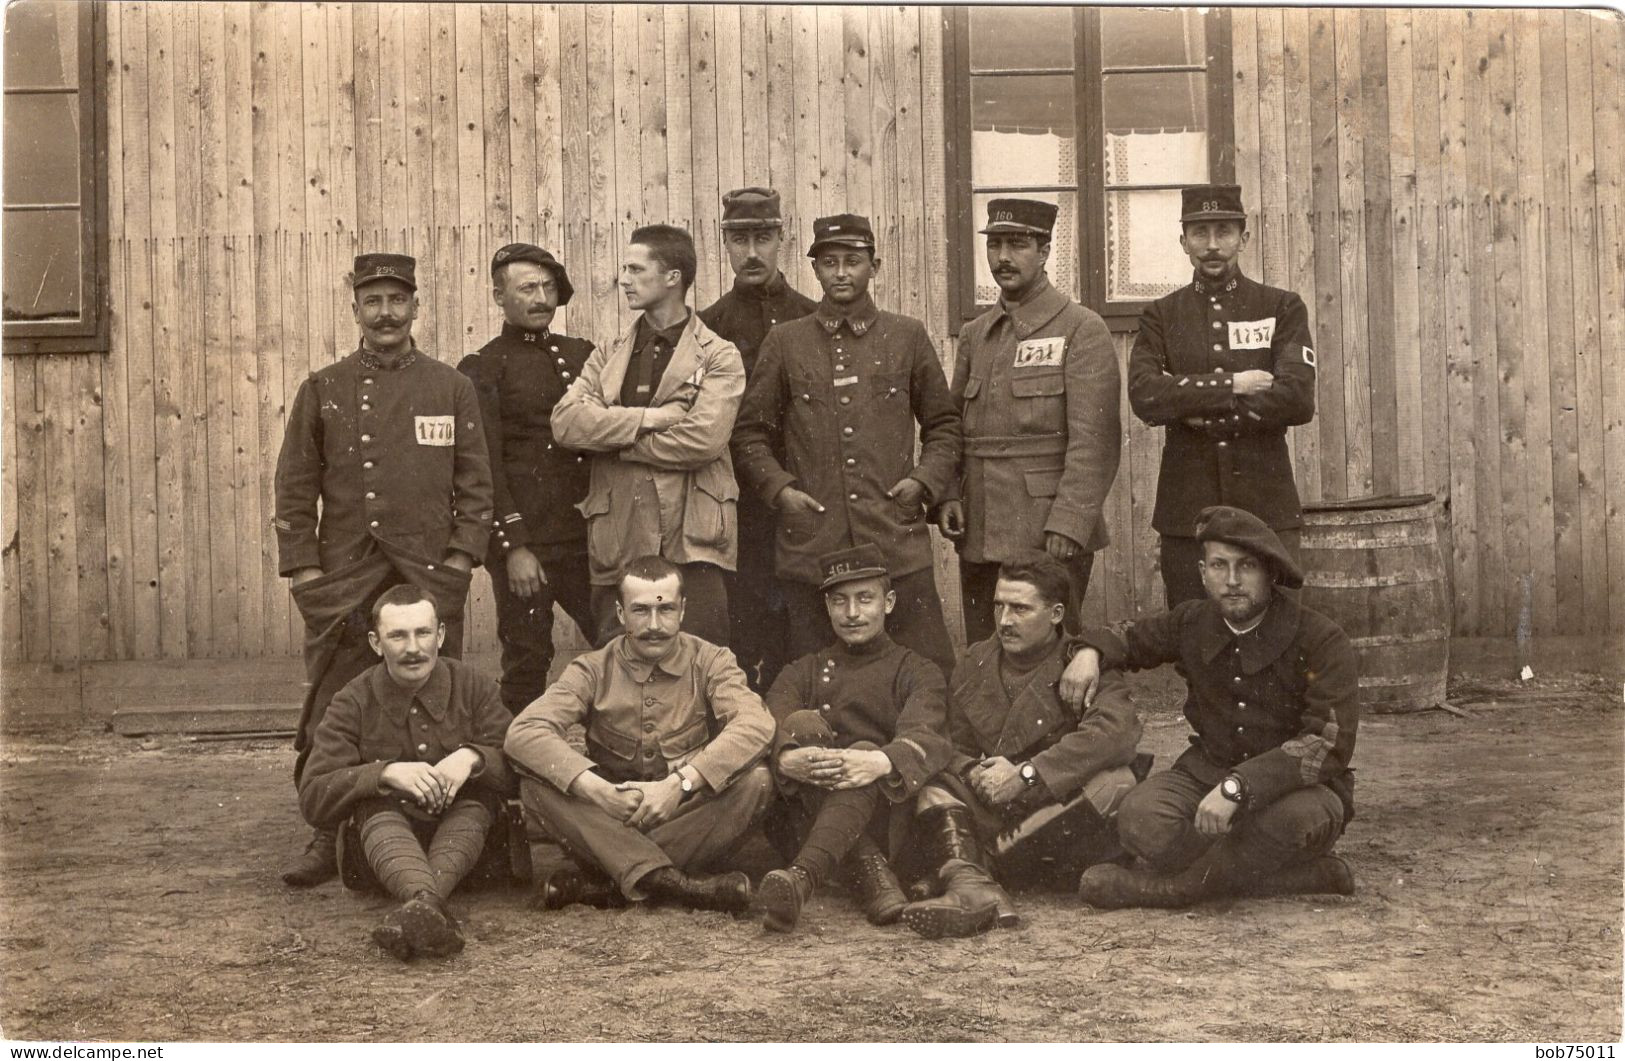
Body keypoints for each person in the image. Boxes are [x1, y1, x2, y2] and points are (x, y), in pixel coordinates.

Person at [274, 252, 494, 887]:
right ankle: (326, 833)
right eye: (373, 301)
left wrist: (458, 562)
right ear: (356, 311)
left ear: (416, 307)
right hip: (345, 578)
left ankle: (434, 815)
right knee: (333, 706)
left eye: (398, 300)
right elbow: (293, 490)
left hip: (426, 575)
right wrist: (306, 574)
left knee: (432, 698)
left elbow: (476, 486)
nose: (386, 313)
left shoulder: (450, 387)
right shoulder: (323, 387)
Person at [1064, 506, 1359, 908]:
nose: (1232, 581)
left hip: (1296, 790)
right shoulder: (1192, 621)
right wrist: (1089, 652)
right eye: (1219, 566)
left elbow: (1326, 744)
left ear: (1271, 573)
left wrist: (1239, 786)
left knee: (1294, 821)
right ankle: (1286, 875)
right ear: (1203, 573)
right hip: (1205, 773)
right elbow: (1129, 637)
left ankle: (1172, 891)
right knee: (1140, 816)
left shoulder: (1321, 638)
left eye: (1247, 566)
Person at [733, 213, 961, 677]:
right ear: (815, 269)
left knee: (930, 672)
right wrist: (780, 491)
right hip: (814, 540)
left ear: (874, 266)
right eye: (830, 262)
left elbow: (944, 426)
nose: (841, 273)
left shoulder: (907, 335)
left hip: (893, 537)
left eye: (853, 262)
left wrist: (923, 482)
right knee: (811, 677)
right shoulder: (786, 341)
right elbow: (749, 432)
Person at [504, 556, 775, 913]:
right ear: (620, 614)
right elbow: (523, 732)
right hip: (609, 818)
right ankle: (682, 887)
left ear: (682, 611)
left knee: (757, 782)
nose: (653, 625)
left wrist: (679, 786)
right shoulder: (591, 669)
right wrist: (598, 792)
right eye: (640, 611)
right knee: (535, 786)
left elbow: (755, 724)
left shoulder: (711, 661)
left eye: (665, 611)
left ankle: (614, 882)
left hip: (682, 817)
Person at [900, 552, 1145, 938]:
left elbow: (1116, 733)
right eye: (999, 606)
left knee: (1117, 780)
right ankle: (976, 885)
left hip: (1055, 811)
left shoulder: (1083, 664)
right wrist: (972, 771)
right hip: (993, 801)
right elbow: (950, 740)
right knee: (932, 785)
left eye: (1020, 608)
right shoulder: (975, 661)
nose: (1004, 621)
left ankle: (976, 872)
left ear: (1056, 613)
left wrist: (1027, 775)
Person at [551, 225, 744, 647]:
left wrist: (615, 441)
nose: (623, 279)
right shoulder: (608, 352)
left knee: (701, 670)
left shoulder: (719, 354)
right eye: (624, 269)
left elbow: (703, 441)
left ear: (673, 277)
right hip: (620, 540)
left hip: (694, 543)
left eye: (635, 269)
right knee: (618, 679)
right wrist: (651, 418)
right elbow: (566, 423)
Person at [297, 584, 514, 960]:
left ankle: (420, 906)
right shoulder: (352, 699)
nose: (413, 648)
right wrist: (384, 774)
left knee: (478, 799)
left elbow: (521, 769)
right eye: (397, 635)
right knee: (372, 806)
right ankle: (427, 903)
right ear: (376, 642)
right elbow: (314, 795)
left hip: (472, 853)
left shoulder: (474, 687)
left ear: (441, 636)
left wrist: (473, 759)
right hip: (381, 856)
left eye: (423, 633)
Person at [937, 199, 1120, 642]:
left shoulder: (1081, 328)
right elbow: (950, 425)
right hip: (980, 526)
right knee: (985, 650)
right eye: (994, 244)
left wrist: (1070, 523)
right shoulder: (977, 334)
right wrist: (947, 494)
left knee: (1049, 655)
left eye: (1017, 245)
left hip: (1047, 528)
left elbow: (1094, 442)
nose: (1002, 258)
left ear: (1044, 251)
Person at [1128, 183, 1317, 606]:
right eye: (1199, 233)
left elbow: (1298, 399)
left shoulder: (1282, 307)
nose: (1212, 245)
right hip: (1187, 506)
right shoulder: (1160, 315)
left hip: (1265, 500)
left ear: (1243, 238)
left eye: (1224, 231)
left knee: (1279, 629)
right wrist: (1232, 385)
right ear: (1183, 241)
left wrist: (1190, 405)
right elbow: (1144, 395)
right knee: (1193, 631)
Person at [756, 544, 953, 933]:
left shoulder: (916, 670)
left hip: (888, 815)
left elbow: (926, 732)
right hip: (807, 817)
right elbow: (768, 720)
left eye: (865, 599)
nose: (852, 613)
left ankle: (803, 876)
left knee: (863, 750)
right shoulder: (803, 670)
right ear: (827, 607)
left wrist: (879, 760)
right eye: (839, 601)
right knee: (800, 725)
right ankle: (868, 872)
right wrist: (784, 757)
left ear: (889, 602)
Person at [457, 243, 596, 715]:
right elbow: (484, 464)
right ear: (499, 297)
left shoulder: (583, 355)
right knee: (527, 656)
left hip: (588, 538)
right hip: (530, 544)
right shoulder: (483, 367)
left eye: (548, 287)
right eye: (527, 288)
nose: (541, 298)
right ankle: (519, 770)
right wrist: (514, 546)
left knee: (617, 644)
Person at [699, 187, 819, 692]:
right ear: (722, 244)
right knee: (745, 623)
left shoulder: (813, 318)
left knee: (805, 625)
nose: (751, 252)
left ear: (781, 240)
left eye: (763, 238)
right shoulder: (708, 327)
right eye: (739, 239)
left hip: (805, 496)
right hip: (739, 505)